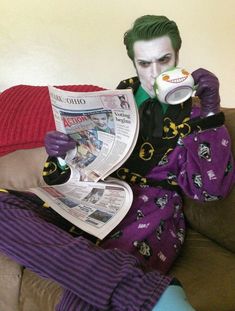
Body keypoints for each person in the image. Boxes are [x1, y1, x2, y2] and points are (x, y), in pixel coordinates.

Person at [0, 15, 234, 311]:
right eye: (145, 64)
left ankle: (135, 291)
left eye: (164, 60)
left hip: (151, 210)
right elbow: (79, 167)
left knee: (82, 301)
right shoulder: (114, 99)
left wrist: (211, 113)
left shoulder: (197, 117)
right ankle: (136, 288)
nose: (155, 73)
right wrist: (59, 154)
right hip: (94, 194)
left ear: (177, 56)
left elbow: (210, 191)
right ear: (134, 63)